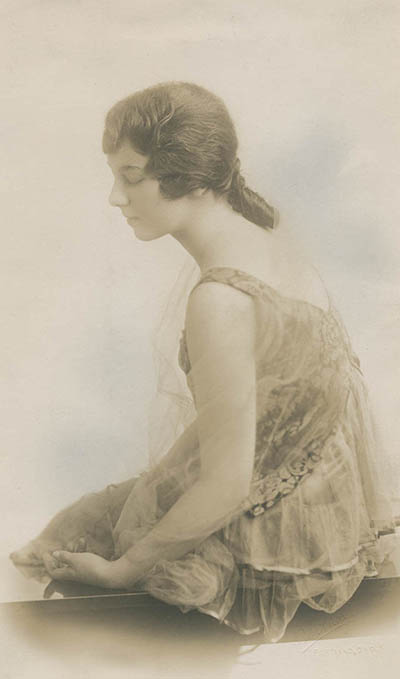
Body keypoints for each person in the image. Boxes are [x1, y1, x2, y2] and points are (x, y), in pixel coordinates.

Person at [10, 82, 397, 642]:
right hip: (327, 508)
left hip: (272, 537)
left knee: (82, 570)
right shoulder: (270, 243)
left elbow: (227, 485)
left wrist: (123, 570)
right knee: (78, 529)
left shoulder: (221, 299)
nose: (115, 198)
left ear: (189, 177)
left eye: (130, 176)